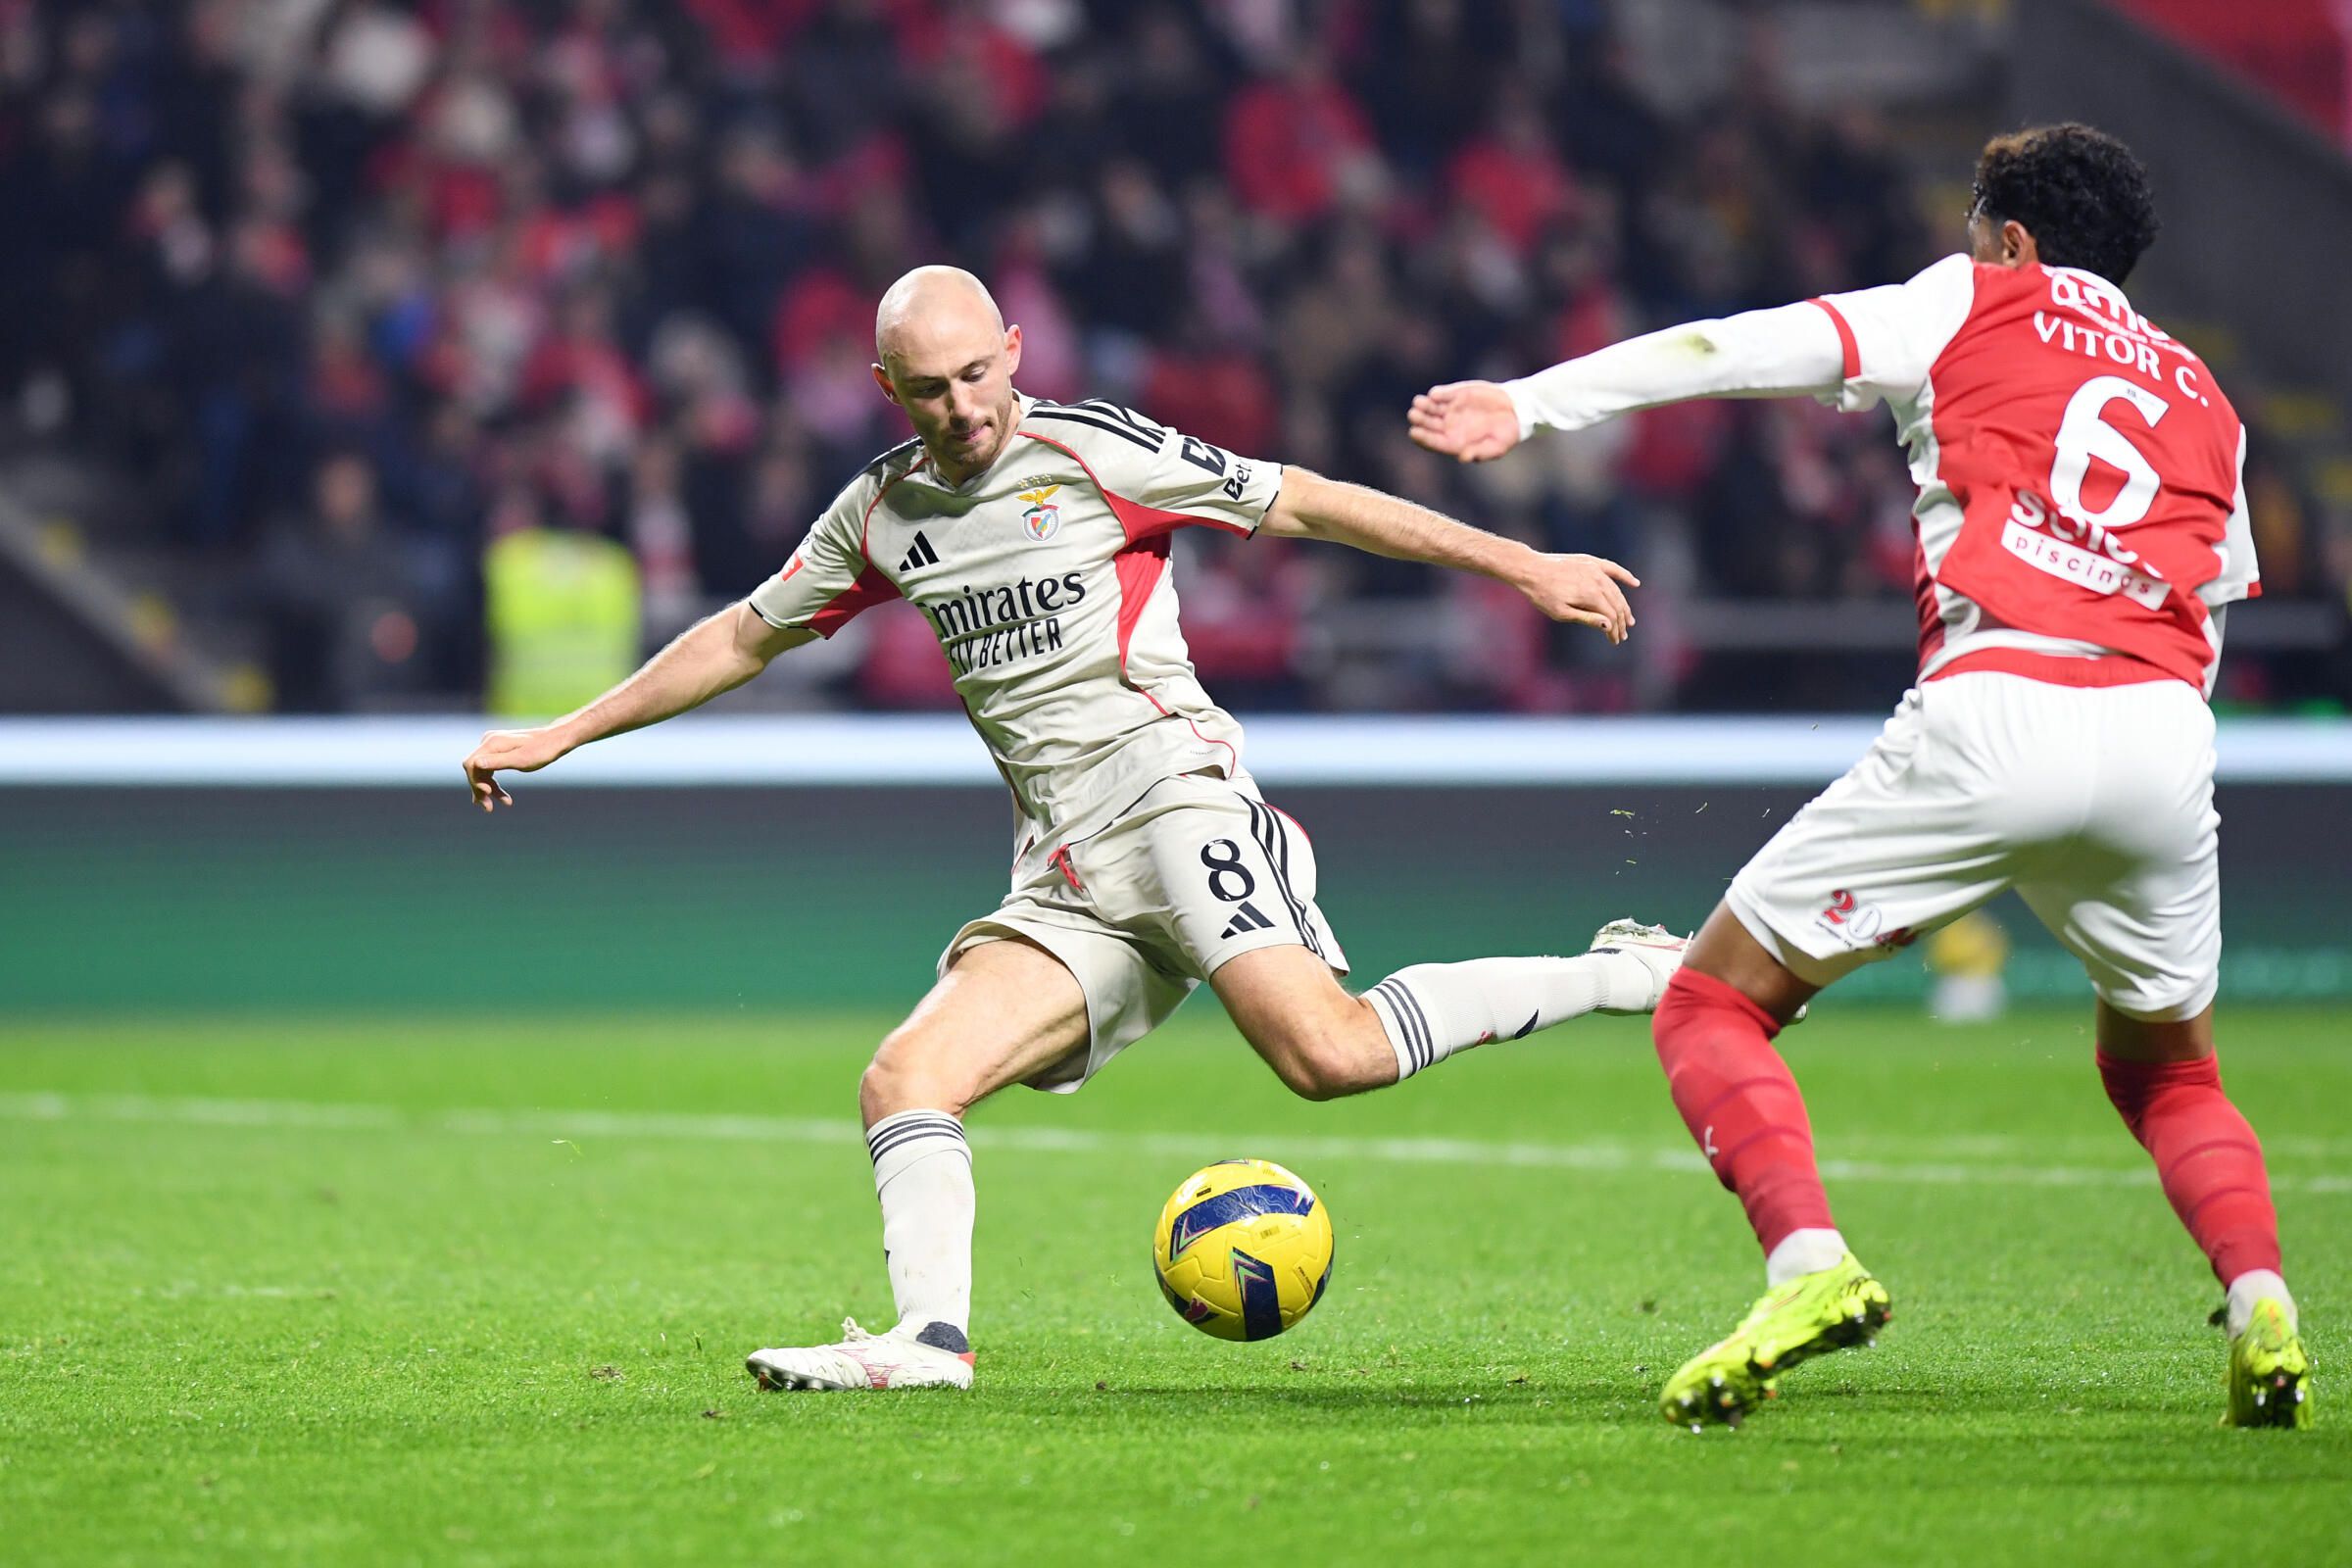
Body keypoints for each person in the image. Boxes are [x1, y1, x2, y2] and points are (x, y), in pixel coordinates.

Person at [464, 266, 1681, 1392]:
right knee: (906, 1077)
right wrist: (563, 732)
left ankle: (1625, 970)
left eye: (978, 375)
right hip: (1063, 867)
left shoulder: (1092, 448)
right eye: (929, 390)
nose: (963, 408)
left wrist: (1521, 563)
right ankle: (930, 1340)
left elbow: (1302, 502)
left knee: (1330, 1059)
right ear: (888, 390)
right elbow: (742, 634)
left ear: (1013, 349)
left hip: (1174, 799)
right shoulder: (879, 514)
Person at [1408, 124, 2311, 1430]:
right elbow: (2208, 619)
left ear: (2013, 239)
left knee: (1709, 1003)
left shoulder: (1974, 300)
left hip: (2000, 700)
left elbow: (1737, 347)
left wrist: (1533, 402)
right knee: (2173, 1073)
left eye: (1970, 231)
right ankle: (2264, 1298)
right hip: (2165, 736)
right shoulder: (2209, 403)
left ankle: (1809, 1268)